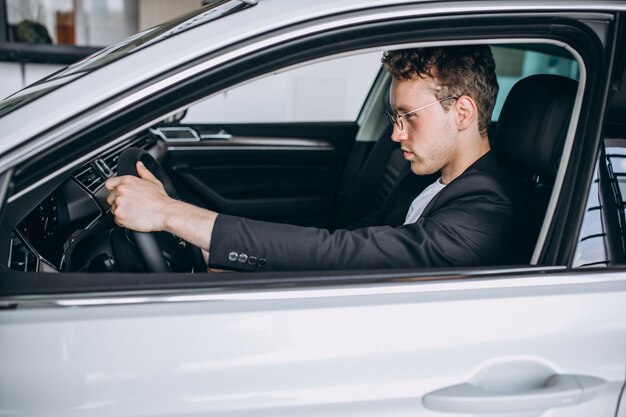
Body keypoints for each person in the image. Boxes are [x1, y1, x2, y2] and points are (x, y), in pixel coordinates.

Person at [106, 45, 531, 271]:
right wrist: (213, 251)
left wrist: (171, 215)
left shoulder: (487, 212)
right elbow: (355, 237)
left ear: (462, 112)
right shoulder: (433, 178)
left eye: (407, 118)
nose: (396, 133)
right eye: (393, 116)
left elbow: (347, 253)